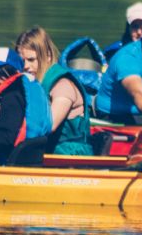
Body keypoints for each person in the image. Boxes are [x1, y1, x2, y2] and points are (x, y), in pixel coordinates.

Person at [15, 26, 93, 155]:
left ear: (48, 56)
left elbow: (47, 126)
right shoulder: (34, 85)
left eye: (31, 60)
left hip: (70, 155)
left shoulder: (63, 86)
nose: (26, 66)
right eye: (22, 61)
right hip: (46, 151)